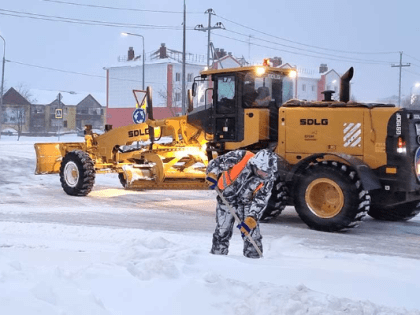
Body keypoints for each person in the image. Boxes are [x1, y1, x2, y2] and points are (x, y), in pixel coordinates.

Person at [205, 149, 278, 258]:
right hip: (226, 198)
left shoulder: (268, 179)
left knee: (251, 233)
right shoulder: (241, 157)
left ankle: (255, 260)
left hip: (246, 203)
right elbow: (217, 163)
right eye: (263, 171)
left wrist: (252, 217)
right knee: (222, 231)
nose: (264, 174)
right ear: (255, 165)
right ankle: (217, 258)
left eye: (267, 172)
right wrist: (212, 173)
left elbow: (261, 200)